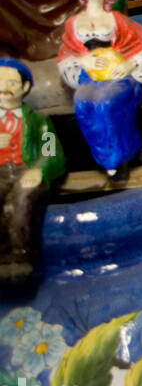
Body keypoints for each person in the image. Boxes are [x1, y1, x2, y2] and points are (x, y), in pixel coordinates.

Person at [57, 0, 142, 177]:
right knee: (84, 104)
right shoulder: (72, 23)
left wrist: (130, 64)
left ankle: (119, 157)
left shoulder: (117, 20)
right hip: (90, 77)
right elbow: (66, 53)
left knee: (106, 105)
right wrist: (83, 60)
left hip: (118, 76)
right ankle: (104, 157)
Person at [0, 58, 65, 282]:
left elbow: (51, 152)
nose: (3, 88)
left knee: (20, 199)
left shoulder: (39, 120)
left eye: (11, 83)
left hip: (24, 171)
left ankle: (20, 258)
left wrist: (39, 170)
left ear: (25, 87)